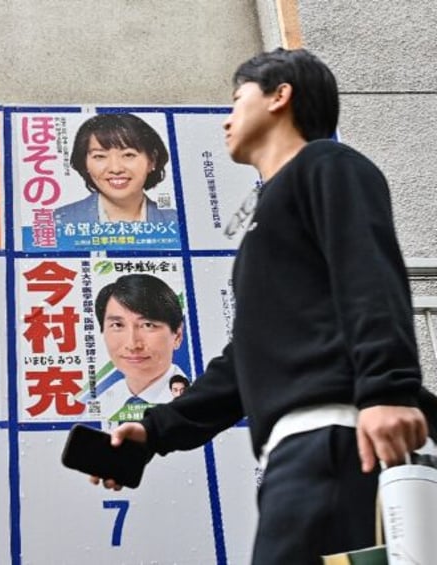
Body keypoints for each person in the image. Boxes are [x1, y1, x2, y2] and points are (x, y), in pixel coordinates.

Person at [90, 48, 435, 564]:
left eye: (237, 98)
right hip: (299, 453)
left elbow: (368, 275)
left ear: (280, 96)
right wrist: (154, 432)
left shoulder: (330, 165)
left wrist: (387, 390)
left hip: (343, 438)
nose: (228, 117)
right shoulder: (267, 214)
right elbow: (248, 356)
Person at [53, 114, 178, 228]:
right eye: (100, 156)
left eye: (128, 155)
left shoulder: (176, 223)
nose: (115, 169)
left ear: (152, 161)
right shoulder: (59, 222)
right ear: (85, 163)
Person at [92, 274, 187, 423]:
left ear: (177, 336)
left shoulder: (198, 402)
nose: (132, 345)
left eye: (148, 325)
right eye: (117, 325)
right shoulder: (102, 402)